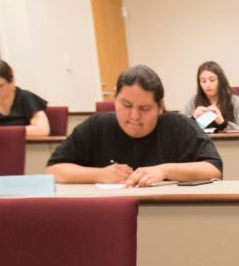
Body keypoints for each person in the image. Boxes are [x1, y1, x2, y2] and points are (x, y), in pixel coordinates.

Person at [45, 65, 222, 186]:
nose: (134, 116)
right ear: (115, 100)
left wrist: (164, 171)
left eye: (145, 108)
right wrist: (100, 174)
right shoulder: (97, 126)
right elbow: (53, 171)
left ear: (160, 107)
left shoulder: (178, 126)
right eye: (126, 105)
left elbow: (213, 169)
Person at [180, 61, 239, 132]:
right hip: (200, 142)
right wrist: (192, 119)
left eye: (212, 80)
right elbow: (178, 128)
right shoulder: (193, 101)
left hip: (229, 143)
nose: (207, 85)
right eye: (203, 81)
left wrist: (223, 123)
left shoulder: (234, 100)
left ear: (221, 81)